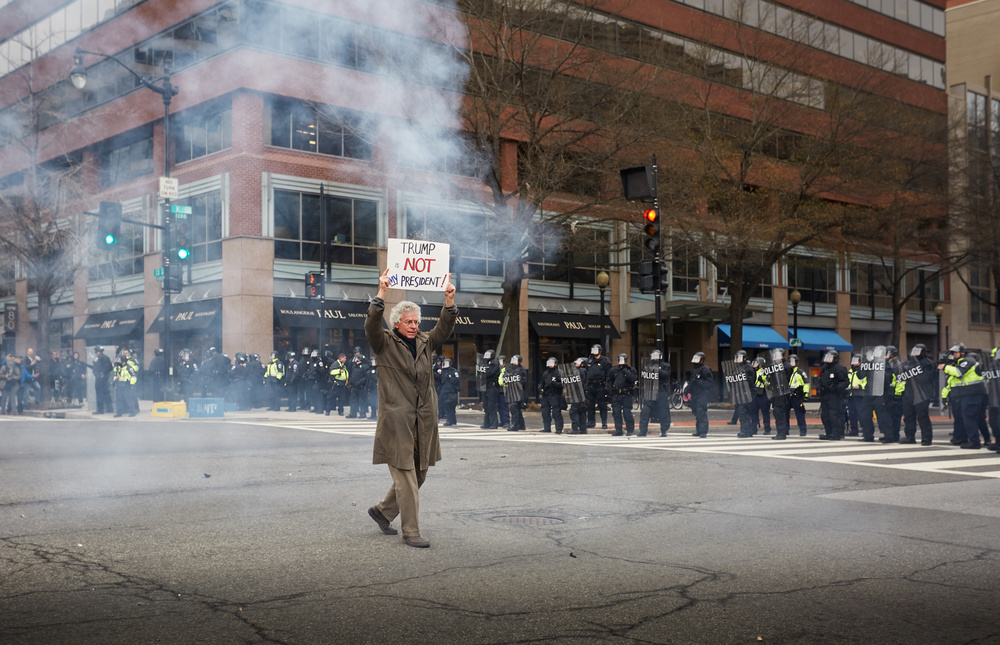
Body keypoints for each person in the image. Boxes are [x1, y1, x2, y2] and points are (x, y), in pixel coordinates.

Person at [366, 268, 457, 548]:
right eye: (409, 322)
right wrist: (381, 292)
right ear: (397, 324)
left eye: (417, 321)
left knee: (420, 472)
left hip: (424, 419)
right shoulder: (384, 343)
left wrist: (449, 301)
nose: (414, 325)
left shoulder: (425, 342)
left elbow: (443, 329)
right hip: (397, 421)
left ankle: (383, 511)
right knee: (405, 474)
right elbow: (371, 325)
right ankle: (411, 531)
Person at [941, 344, 988, 449]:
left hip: (971, 394)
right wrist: (945, 396)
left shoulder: (967, 361)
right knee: (975, 419)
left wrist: (945, 367)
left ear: (962, 352)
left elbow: (958, 373)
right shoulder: (961, 363)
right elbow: (950, 383)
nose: (954, 355)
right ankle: (985, 440)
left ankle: (974, 441)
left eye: (955, 353)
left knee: (970, 418)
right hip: (969, 394)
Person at [900, 344, 935, 446]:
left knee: (922, 417)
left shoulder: (928, 363)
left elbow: (925, 378)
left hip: (922, 394)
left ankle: (926, 438)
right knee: (908, 416)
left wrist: (913, 369)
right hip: (909, 393)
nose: (915, 353)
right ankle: (910, 437)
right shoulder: (908, 363)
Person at [638, 349, 672, 437]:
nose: (655, 358)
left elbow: (666, 374)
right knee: (645, 411)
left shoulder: (665, 366)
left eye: (657, 356)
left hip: (661, 390)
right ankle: (642, 431)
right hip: (650, 390)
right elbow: (644, 377)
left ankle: (664, 430)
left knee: (663, 411)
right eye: (654, 356)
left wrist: (657, 370)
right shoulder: (648, 366)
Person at [817, 350, 848, 440]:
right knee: (825, 415)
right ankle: (828, 433)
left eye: (831, 358)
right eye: (828, 357)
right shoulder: (824, 368)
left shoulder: (839, 368)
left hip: (835, 395)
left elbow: (845, 382)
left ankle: (836, 434)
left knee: (834, 415)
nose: (828, 359)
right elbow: (820, 380)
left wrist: (836, 387)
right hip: (825, 394)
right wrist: (819, 387)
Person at [606, 353, 637, 436]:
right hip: (616, 395)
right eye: (620, 360)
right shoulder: (613, 370)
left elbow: (632, 379)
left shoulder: (631, 370)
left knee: (627, 413)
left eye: (623, 360)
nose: (621, 361)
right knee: (616, 413)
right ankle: (618, 430)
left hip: (626, 394)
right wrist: (610, 392)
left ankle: (630, 430)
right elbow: (609, 381)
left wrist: (625, 370)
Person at [585, 345, 612, 429]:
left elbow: (609, 375)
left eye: (596, 350)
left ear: (600, 351)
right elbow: (586, 373)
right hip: (590, 386)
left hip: (600, 386)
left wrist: (607, 387)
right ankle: (591, 422)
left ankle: (604, 422)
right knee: (590, 405)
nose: (594, 352)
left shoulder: (605, 361)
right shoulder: (590, 360)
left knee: (602, 405)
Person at [688, 352, 713, 437]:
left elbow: (709, 383)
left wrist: (699, 382)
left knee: (701, 412)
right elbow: (691, 381)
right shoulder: (693, 370)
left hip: (702, 394)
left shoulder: (705, 369)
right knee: (696, 412)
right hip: (694, 394)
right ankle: (698, 430)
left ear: (702, 360)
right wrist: (687, 389)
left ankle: (703, 431)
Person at [538, 357, 564, 434]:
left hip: (555, 394)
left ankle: (559, 429)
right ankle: (547, 428)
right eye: (549, 363)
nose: (550, 365)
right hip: (546, 394)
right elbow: (541, 382)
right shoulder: (546, 373)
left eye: (552, 363)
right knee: (545, 412)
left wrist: (555, 384)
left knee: (556, 412)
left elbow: (563, 384)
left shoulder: (559, 372)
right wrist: (540, 388)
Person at [503, 355, 528, 431]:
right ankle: (521, 425)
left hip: (518, 391)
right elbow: (505, 377)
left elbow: (524, 381)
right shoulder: (509, 368)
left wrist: (517, 381)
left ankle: (514, 425)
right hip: (511, 391)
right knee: (516, 409)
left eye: (515, 360)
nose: (513, 362)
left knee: (514, 408)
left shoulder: (521, 369)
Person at [787, 354, 809, 437]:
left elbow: (806, 383)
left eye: (793, 361)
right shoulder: (786, 372)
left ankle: (803, 430)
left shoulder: (800, 372)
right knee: (785, 414)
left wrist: (805, 394)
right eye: (790, 361)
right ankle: (785, 430)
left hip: (797, 396)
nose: (792, 363)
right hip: (788, 395)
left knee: (800, 414)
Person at [479, 349, 500, 429]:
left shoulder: (495, 363)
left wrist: (484, 373)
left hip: (492, 387)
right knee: (486, 406)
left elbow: (490, 373)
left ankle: (494, 424)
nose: (486, 357)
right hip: (485, 387)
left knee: (492, 406)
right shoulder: (484, 363)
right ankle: (486, 423)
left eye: (488, 355)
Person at [750, 357, 771, 435]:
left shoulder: (765, 372)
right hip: (755, 393)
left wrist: (762, 379)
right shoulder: (753, 371)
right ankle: (753, 428)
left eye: (756, 363)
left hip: (763, 393)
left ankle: (767, 429)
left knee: (765, 412)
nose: (754, 365)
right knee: (753, 411)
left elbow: (769, 383)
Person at [846, 354, 865, 437]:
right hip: (851, 394)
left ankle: (865, 430)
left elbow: (867, 382)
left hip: (860, 394)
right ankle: (854, 430)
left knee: (861, 413)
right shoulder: (850, 371)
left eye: (856, 361)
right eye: (853, 361)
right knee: (852, 413)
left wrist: (860, 386)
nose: (854, 363)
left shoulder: (863, 371)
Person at [568, 357, 588, 434]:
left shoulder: (580, 371)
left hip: (577, 394)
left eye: (578, 363)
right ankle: (583, 429)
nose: (576, 364)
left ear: (582, 364)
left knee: (574, 411)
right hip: (582, 394)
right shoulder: (584, 371)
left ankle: (575, 428)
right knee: (581, 411)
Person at [90, 346, 113, 414]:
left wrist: (99, 373)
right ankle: (110, 408)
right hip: (105, 378)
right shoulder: (107, 357)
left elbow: (96, 367)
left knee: (99, 394)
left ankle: (100, 410)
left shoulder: (98, 358)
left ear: (97, 351)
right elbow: (111, 367)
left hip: (99, 378)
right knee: (106, 393)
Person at [439, 357, 459, 426]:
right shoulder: (443, 371)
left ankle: (450, 421)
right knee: (446, 407)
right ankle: (452, 420)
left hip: (451, 391)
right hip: (444, 391)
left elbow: (457, 381)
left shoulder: (454, 371)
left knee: (450, 407)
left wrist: (450, 377)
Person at [366, 356, 379, 421]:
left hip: (375, 388)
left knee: (375, 402)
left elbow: (377, 378)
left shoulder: (377, 369)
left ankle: (376, 415)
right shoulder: (370, 369)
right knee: (371, 402)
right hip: (371, 388)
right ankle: (373, 414)